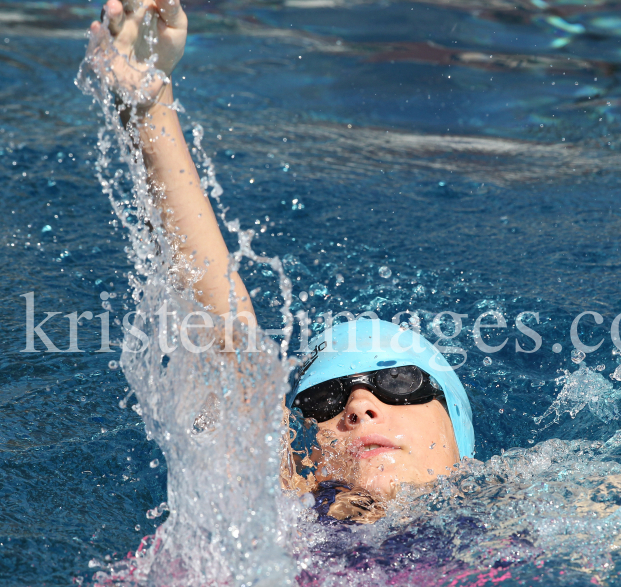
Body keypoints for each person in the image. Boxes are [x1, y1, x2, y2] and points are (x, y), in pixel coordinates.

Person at [88, 0, 476, 513]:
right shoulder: (274, 521)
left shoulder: (539, 513)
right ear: (302, 458)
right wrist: (148, 106)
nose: (359, 406)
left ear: (457, 425)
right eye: (325, 402)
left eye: (398, 383)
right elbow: (227, 338)